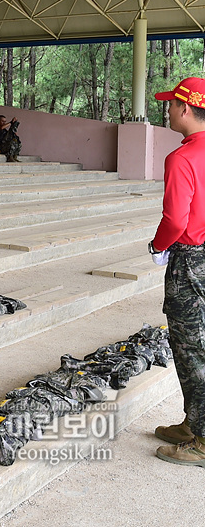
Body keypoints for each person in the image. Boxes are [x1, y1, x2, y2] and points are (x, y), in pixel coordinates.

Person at [149, 78, 205, 466]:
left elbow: (174, 219)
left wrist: (157, 246)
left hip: (191, 261)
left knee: (191, 348)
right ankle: (194, 422)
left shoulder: (182, 158)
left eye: (171, 105)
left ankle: (203, 440)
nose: (167, 110)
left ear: (185, 109)